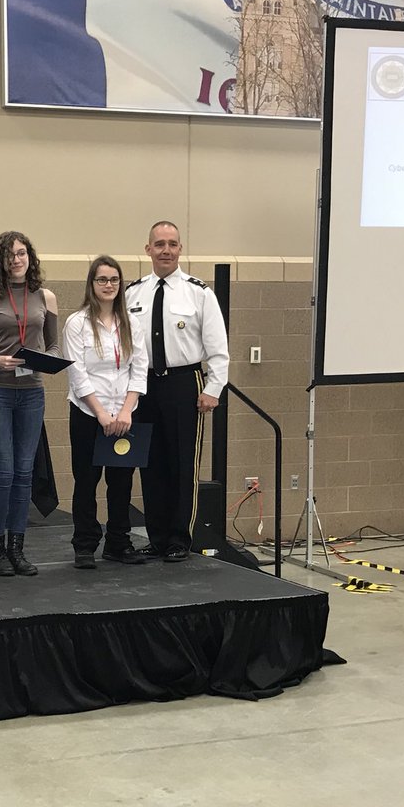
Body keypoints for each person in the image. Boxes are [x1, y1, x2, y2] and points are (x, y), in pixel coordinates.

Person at [126, 221, 228, 562]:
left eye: (172, 244)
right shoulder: (133, 293)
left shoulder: (199, 292)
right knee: (150, 464)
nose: (166, 250)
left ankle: (179, 539)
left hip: (184, 383)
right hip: (144, 385)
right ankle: (156, 537)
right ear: (148, 249)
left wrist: (213, 388)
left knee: (183, 464)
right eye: (159, 244)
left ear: (180, 249)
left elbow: (218, 349)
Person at [0, 231, 59, 576]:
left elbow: (54, 347)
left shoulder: (45, 297)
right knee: (4, 471)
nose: (16, 259)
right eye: (9, 255)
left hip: (32, 392)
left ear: (30, 257)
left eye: (21, 253)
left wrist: (42, 361)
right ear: (0, 260)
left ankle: (17, 549)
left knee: (24, 472)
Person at [63, 255, 149, 569]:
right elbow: (77, 373)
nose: (109, 285)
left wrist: (126, 411)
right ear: (92, 283)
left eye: (114, 279)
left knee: (121, 482)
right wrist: (100, 413)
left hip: (125, 414)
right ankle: (85, 545)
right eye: (102, 279)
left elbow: (139, 369)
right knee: (86, 481)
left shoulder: (131, 323)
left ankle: (118, 543)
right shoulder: (77, 323)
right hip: (88, 413)